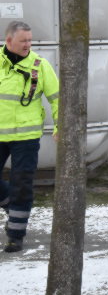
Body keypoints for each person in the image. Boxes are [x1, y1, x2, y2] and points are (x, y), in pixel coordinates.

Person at [0, 21, 59, 253]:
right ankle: (10, 205)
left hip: (27, 136)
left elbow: (58, 98)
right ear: (9, 41)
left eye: (30, 40)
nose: (28, 45)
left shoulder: (39, 65)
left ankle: (16, 234)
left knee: (22, 184)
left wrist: (59, 126)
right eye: (23, 40)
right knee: (13, 190)